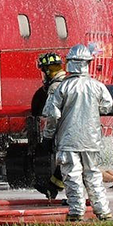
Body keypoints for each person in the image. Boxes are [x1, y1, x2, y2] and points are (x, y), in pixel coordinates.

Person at [42, 44, 113, 222]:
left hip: (68, 139)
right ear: (88, 63)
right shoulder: (97, 86)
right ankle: (103, 210)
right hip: (91, 140)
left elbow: (52, 114)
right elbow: (106, 106)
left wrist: (47, 137)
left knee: (72, 175)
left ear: (70, 63)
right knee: (93, 174)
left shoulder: (63, 87)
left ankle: (76, 211)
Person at [30, 51, 67, 200]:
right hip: (86, 132)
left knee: (70, 165)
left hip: (66, 130)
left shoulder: (54, 88)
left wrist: (47, 137)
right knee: (70, 163)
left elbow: (52, 115)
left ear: (47, 71)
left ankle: (76, 206)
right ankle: (52, 188)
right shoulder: (69, 83)